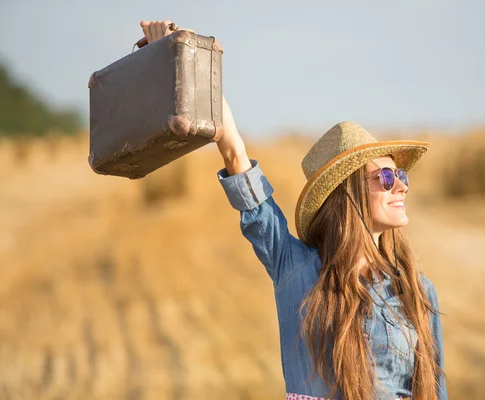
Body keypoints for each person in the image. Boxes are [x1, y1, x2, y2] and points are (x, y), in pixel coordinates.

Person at [140, 21, 448, 400]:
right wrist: (179, 56)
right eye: (385, 176)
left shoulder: (417, 290)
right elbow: (235, 152)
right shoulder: (298, 271)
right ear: (347, 192)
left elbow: (434, 391)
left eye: (400, 175)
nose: (400, 185)